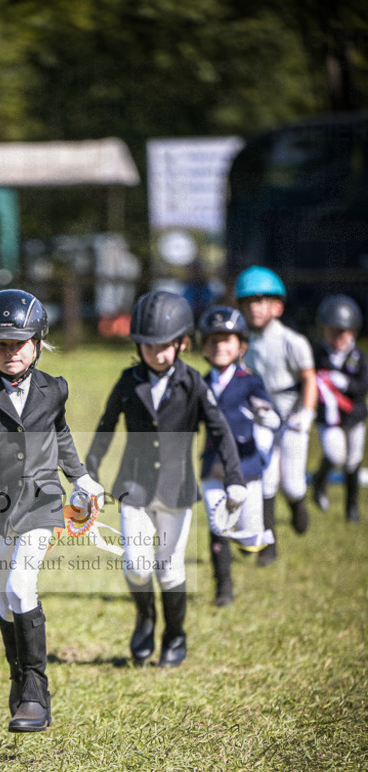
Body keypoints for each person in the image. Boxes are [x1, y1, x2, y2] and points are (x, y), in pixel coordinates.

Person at [0, 288, 103, 733]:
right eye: (0, 345)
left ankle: (36, 691)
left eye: (19, 343)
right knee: (4, 601)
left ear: (37, 341)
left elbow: (62, 435)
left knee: (19, 585)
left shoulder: (55, 389)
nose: (11, 352)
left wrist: (81, 478)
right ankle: (18, 679)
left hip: (42, 503)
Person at [85, 290, 246, 668]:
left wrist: (234, 478)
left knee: (169, 567)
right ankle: (145, 617)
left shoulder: (194, 383)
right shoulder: (128, 381)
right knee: (137, 564)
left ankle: (175, 634)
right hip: (135, 486)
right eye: (148, 346)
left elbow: (220, 431)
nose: (157, 354)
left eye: (165, 346)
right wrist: (88, 473)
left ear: (182, 343)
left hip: (176, 489)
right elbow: (106, 427)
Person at [198, 305, 281, 606]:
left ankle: (252, 544)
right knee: (217, 524)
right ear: (204, 346)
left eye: (227, 340)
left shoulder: (251, 381)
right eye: (213, 341)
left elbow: (271, 415)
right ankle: (223, 587)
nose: (220, 346)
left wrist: (268, 417)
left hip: (246, 466)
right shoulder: (199, 383)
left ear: (241, 345)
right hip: (214, 466)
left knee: (248, 533)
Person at [234, 266, 318, 565]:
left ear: (277, 306)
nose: (255, 308)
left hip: (292, 418)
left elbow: (309, 379)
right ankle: (268, 545)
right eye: (248, 302)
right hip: (262, 419)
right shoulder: (241, 343)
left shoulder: (293, 342)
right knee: (265, 480)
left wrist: (306, 415)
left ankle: (298, 505)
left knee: (292, 484)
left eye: (262, 301)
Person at [311, 294, 367, 523]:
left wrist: (347, 384)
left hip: (354, 417)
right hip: (328, 418)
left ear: (352, 332)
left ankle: (351, 507)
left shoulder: (358, 357)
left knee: (353, 460)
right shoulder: (318, 355)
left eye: (341, 333)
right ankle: (319, 480)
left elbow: (363, 386)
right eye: (331, 332)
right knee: (336, 455)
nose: (336, 338)